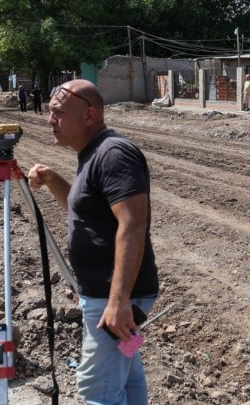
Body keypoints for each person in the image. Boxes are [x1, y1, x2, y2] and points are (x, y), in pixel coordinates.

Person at [27, 79, 159, 404]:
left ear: (89, 116)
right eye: (49, 112)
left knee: (96, 389)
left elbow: (133, 223)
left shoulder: (114, 153)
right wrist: (54, 180)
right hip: (107, 296)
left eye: (58, 112)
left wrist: (118, 300)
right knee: (126, 377)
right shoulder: (92, 152)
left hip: (113, 298)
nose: (50, 119)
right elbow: (85, 210)